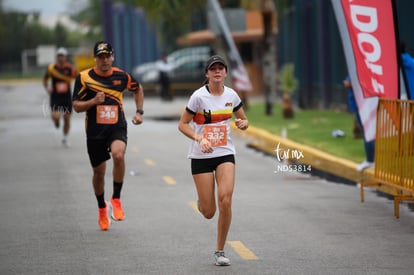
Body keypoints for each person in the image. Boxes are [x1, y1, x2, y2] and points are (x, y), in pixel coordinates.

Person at [178, 55, 249, 266]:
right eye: (213, 69)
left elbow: (242, 118)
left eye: (221, 68)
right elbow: (183, 124)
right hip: (201, 156)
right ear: (207, 74)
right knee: (209, 212)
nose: (217, 72)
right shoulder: (198, 97)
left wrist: (243, 123)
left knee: (226, 199)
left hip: (225, 153)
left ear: (225, 73)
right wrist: (199, 138)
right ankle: (203, 201)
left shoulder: (232, 95)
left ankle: (219, 250)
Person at [72, 41, 144, 231]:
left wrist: (139, 112)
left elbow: (138, 89)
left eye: (107, 56)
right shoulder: (84, 77)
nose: (104, 60)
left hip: (116, 126)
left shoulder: (122, 76)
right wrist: (93, 101)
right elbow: (76, 106)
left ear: (112, 56)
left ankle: (116, 198)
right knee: (99, 172)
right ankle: (102, 208)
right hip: (95, 131)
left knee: (119, 155)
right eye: (100, 56)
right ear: (95, 58)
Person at [43, 47, 77, 146]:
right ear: (57, 57)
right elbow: (45, 79)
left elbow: (78, 78)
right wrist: (47, 88)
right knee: (56, 116)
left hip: (66, 97)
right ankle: (56, 122)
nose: (60, 58)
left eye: (62, 56)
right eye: (59, 56)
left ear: (65, 57)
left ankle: (65, 138)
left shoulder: (70, 68)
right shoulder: (51, 68)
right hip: (55, 97)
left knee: (67, 119)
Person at [343, 76, 375, 171]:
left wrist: (348, 83)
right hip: (361, 104)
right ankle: (370, 160)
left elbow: (351, 82)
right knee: (368, 133)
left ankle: (370, 161)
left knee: (368, 133)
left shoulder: (361, 65)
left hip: (363, 104)